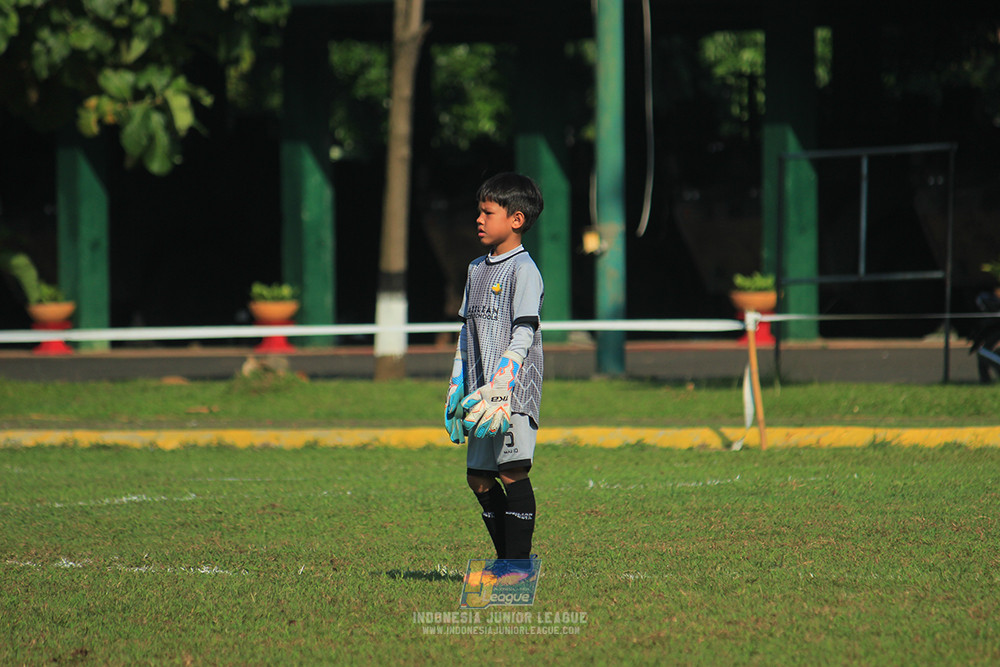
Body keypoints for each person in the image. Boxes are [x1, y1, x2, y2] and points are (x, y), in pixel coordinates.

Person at [444, 172, 544, 583]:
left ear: (516, 219)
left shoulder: (525, 270)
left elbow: (525, 331)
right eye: (479, 212)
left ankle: (517, 568)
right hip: (481, 393)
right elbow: (466, 335)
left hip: (512, 391)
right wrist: (457, 387)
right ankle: (506, 565)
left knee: (512, 471)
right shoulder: (474, 269)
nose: (479, 220)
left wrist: (504, 382)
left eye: (488, 212)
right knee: (479, 478)